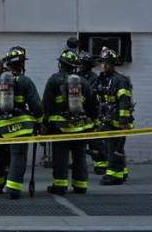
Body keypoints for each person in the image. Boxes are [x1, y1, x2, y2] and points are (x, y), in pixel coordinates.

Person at [0, 46, 43, 199]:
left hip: (0, 127)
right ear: (22, 64)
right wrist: (40, 121)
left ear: (8, 64)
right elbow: (36, 105)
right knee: (18, 156)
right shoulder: (25, 82)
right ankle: (13, 188)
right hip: (20, 129)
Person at [42, 49, 98, 195]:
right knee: (80, 157)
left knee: (61, 157)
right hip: (81, 127)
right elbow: (93, 105)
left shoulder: (54, 80)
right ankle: (80, 186)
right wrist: (92, 123)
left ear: (61, 64)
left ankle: (59, 186)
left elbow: (46, 105)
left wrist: (44, 124)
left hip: (60, 128)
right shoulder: (84, 83)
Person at [94, 47, 134, 185]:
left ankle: (113, 175)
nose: (104, 65)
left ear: (114, 64)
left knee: (113, 148)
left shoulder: (120, 80)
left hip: (118, 121)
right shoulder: (102, 79)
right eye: (102, 63)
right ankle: (121, 171)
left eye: (108, 63)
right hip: (107, 120)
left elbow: (124, 102)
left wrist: (123, 121)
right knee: (115, 147)